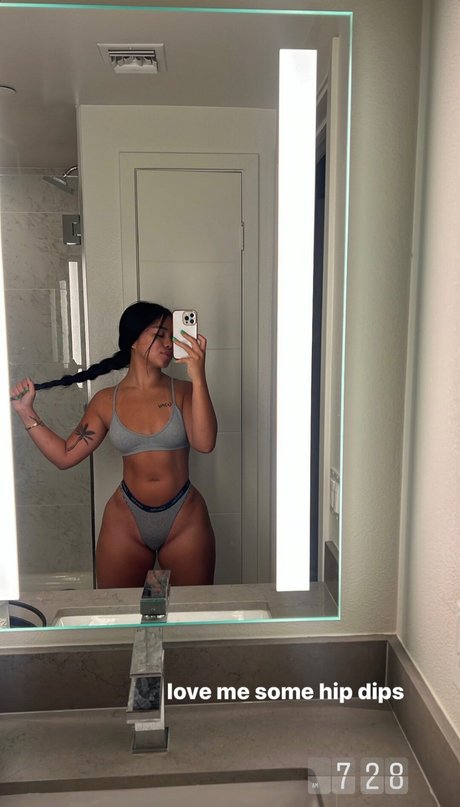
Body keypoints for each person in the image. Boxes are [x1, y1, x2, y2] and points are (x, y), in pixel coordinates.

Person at [10, 301, 217, 588]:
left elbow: (205, 444)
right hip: (126, 519)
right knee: (117, 608)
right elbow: (65, 456)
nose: (169, 344)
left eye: (172, 336)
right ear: (133, 340)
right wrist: (25, 411)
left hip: (185, 516)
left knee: (191, 609)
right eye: (159, 335)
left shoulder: (184, 391)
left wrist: (198, 375)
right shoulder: (106, 401)